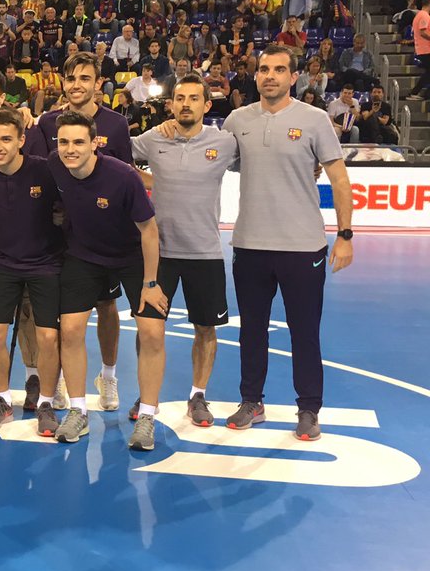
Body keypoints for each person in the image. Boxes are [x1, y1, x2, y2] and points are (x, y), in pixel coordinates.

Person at [219, 44, 354, 441]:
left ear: (294, 77)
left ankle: (309, 409)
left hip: (303, 246)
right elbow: (208, 160)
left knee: (304, 332)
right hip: (250, 245)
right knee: (252, 331)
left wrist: (344, 236)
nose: (270, 76)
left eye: (279, 69)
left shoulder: (314, 120)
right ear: (255, 75)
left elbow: (340, 180)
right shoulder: (236, 120)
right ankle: (251, 401)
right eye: (264, 69)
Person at [50, 111, 169, 451]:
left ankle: (146, 415)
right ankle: (78, 410)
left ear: (94, 145)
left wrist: (150, 282)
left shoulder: (122, 177)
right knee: (70, 329)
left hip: (131, 257)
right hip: (83, 256)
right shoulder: (54, 166)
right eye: (63, 142)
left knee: (152, 332)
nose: (70, 149)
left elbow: (149, 230)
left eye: (77, 142)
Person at [130, 74, 239, 426]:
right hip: (158, 254)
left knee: (205, 329)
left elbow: (268, 160)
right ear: (171, 104)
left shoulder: (224, 143)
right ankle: (146, 395)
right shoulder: (152, 139)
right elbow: (114, 156)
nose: (186, 104)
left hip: (205, 252)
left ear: (207, 105)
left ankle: (198, 395)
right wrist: (149, 180)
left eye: (194, 98)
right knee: (148, 328)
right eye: (180, 98)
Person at [32, 52, 133, 413]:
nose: (77, 84)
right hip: (60, 235)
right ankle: (60, 377)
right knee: (62, 313)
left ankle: (108, 376)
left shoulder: (117, 125)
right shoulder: (45, 124)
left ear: (98, 84)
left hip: (104, 235)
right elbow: (40, 174)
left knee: (107, 306)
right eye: (71, 77)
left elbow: (128, 178)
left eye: (85, 78)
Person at [0, 108, 65, 431]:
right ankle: (4, 399)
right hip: (0, 262)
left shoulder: (45, 170)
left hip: (44, 262)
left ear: (22, 139)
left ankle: (47, 403)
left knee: (48, 337)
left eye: (6, 139)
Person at [406, 0, 430, 100]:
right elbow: (423, 32)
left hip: (423, 48)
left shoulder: (419, 15)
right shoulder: (424, 15)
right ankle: (416, 92)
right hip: (425, 49)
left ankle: (420, 93)